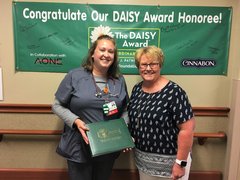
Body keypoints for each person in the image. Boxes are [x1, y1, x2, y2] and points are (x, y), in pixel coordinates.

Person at [52, 29, 129, 180]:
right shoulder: (75, 76)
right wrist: (76, 121)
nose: (106, 54)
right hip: (79, 146)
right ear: (93, 53)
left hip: (108, 145)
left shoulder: (119, 80)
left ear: (114, 56)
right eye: (102, 49)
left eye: (111, 51)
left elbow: (126, 109)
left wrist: (123, 130)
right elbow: (56, 105)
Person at [128, 46, 195, 180]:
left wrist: (180, 163)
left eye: (153, 64)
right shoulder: (136, 90)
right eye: (144, 64)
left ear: (160, 65)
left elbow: (187, 130)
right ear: (138, 67)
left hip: (171, 166)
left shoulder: (174, 92)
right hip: (144, 164)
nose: (148, 68)